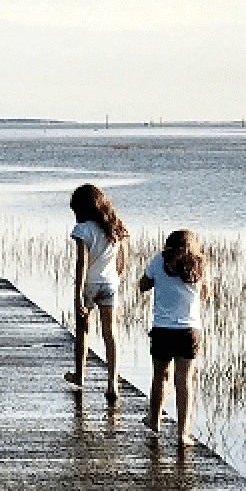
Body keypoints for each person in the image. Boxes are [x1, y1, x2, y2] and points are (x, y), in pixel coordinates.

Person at [138, 229, 210, 446]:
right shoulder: (201, 263)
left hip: (162, 329)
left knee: (160, 376)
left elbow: (143, 285)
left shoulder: (159, 260)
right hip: (189, 330)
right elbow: (206, 296)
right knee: (184, 380)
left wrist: (156, 280)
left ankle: (154, 420)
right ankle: (182, 434)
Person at [63, 183, 128, 404]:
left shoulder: (83, 230)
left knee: (83, 331)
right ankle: (113, 384)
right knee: (111, 334)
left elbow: (82, 264)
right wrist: (114, 277)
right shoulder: (115, 227)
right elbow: (122, 264)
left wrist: (78, 294)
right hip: (110, 284)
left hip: (90, 284)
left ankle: (80, 375)